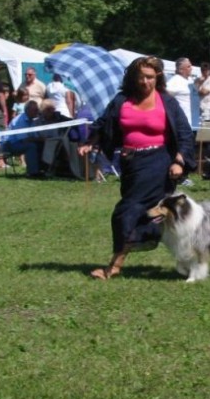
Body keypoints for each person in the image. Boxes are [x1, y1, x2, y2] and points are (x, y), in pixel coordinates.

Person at [77, 56, 195, 280]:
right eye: (140, 77)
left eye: (150, 77)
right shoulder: (122, 100)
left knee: (126, 213)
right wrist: (90, 142)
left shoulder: (167, 102)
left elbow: (184, 133)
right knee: (157, 217)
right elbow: (104, 123)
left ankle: (114, 266)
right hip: (130, 164)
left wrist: (179, 161)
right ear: (132, 78)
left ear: (158, 77)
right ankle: (191, 258)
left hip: (159, 164)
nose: (145, 82)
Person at [1, 100, 42, 177]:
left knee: (40, 145)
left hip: (19, 142)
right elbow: (24, 139)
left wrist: (41, 139)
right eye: (35, 110)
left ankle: (41, 169)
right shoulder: (20, 121)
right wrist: (40, 139)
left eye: (37, 109)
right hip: (9, 144)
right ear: (28, 110)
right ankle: (32, 172)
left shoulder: (32, 120)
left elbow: (35, 135)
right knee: (31, 146)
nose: (37, 112)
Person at [166, 57, 194, 127]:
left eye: (190, 66)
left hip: (192, 121)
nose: (191, 68)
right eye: (188, 67)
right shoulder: (174, 82)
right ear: (181, 70)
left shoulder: (190, 80)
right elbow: (165, 98)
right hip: (181, 122)